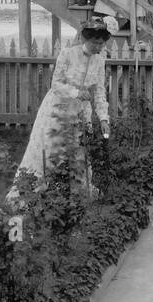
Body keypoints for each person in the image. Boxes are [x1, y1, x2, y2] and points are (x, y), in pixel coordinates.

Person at [8, 20, 111, 203]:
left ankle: (78, 194)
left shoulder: (100, 61)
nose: (98, 47)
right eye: (95, 42)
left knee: (80, 150)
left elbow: (99, 91)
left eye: (101, 43)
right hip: (58, 108)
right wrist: (77, 93)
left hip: (80, 112)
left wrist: (103, 117)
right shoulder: (67, 54)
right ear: (84, 39)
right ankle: (33, 192)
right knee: (50, 149)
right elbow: (55, 84)